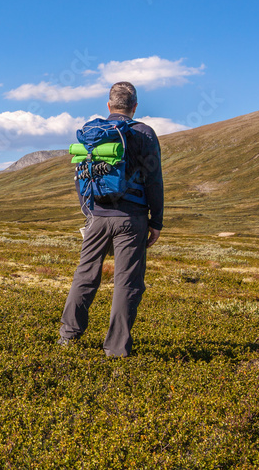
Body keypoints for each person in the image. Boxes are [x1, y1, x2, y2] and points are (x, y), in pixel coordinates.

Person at [58, 81, 164, 357]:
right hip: (132, 218)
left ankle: (68, 336)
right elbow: (154, 179)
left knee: (85, 275)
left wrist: (89, 211)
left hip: (96, 216)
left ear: (109, 105)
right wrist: (157, 222)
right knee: (127, 282)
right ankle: (116, 349)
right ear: (135, 106)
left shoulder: (93, 134)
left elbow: (81, 177)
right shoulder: (144, 133)